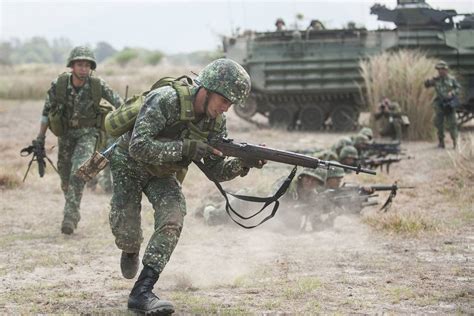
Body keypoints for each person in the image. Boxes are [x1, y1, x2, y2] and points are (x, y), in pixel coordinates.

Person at [108, 58, 264, 314]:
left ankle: (142, 292)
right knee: (127, 230)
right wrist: (186, 147)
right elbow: (138, 147)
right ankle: (130, 248)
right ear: (209, 89)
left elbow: (216, 170)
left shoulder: (215, 123)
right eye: (224, 101)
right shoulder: (166, 100)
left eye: (231, 104)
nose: (226, 109)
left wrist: (244, 164)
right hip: (129, 164)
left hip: (162, 173)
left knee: (173, 217)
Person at [33, 46, 123, 235]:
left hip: (88, 134)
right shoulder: (59, 85)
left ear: (91, 67)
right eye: (80, 64)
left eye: (87, 65)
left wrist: (126, 122)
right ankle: (72, 207)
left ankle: (70, 217)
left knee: (78, 172)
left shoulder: (98, 85)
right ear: (72, 66)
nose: (83, 68)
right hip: (65, 136)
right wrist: (40, 137)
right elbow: (45, 112)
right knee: (65, 178)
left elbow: (120, 103)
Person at [424, 61, 461, 148]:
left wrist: (452, 93)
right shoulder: (436, 79)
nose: (440, 71)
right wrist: (429, 81)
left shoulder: (452, 79)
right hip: (440, 104)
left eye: (442, 69)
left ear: (446, 70)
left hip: (449, 104)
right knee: (439, 123)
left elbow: (458, 88)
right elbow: (426, 85)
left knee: (452, 124)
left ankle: (455, 142)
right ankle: (441, 142)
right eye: (439, 69)